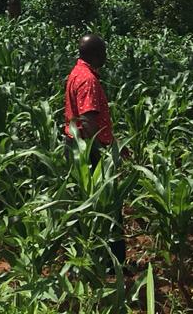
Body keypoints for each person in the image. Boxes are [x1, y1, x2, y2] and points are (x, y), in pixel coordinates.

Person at [64, 32, 127, 266]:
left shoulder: (76, 73)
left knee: (86, 203)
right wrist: (103, 155)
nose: (107, 56)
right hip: (88, 149)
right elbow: (89, 121)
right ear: (97, 54)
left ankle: (90, 258)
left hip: (76, 146)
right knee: (109, 205)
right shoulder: (88, 80)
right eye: (104, 52)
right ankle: (113, 264)